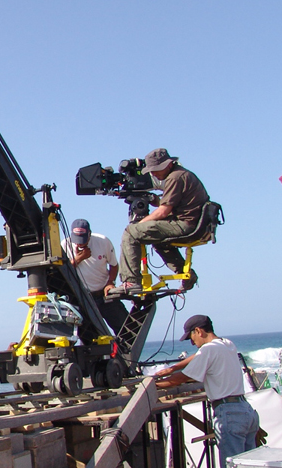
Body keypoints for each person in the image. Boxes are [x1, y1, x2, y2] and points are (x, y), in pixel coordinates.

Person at [155, 315, 259, 468]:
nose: (192, 342)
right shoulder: (226, 343)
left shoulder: (209, 350)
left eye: (191, 337)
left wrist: (154, 384)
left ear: (198, 331)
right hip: (246, 410)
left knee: (231, 465)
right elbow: (198, 356)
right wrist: (174, 367)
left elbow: (182, 378)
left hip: (229, 414)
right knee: (249, 465)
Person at [113, 148, 209, 294]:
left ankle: (131, 282)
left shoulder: (174, 178)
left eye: (156, 169)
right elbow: (169, 204)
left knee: (131, 232)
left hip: (186, 225)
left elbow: (163, 211)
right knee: (157, 239)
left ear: (169, 165)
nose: (153, 173)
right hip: (193, 224)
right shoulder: (183, 174)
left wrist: (140, 224)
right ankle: (186, 275)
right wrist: (153, 199)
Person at [61, 219, 128, 335]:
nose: (80, 244)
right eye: (77, 240)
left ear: (89, 234)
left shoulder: (103, 241)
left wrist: (110, 282)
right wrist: (78, 259)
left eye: (83, 240)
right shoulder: (65, 245)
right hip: (83, 298)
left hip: (104, 294)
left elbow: (114, 265)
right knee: (90, 337)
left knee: (125, 330)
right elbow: (63, 272)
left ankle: (122, 351)